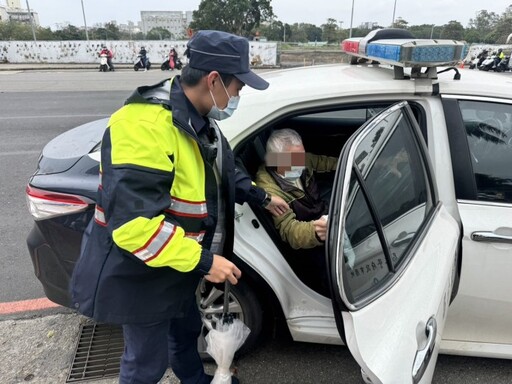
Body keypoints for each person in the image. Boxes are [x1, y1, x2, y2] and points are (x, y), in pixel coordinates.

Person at [71, 30, 288, 384]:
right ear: (214, 80)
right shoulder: (143, 126)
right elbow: (134, 227)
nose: (238, 95)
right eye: (238, 87)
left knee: (185, 335)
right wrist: (205, 261)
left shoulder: (199, 118)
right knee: (145, 365)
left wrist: (262, 196)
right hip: (138, 272)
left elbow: (221, 168)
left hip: (176, 264)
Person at [255, 129, 338, 294]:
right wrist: (315, 231)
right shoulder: (269, 190)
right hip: (308, 240)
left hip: (325, 213)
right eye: (294, 160)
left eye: (301, 156)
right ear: (277, 161)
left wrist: (355, 164)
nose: (301, 163)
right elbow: (289, 230)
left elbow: (324, 162)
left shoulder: (299, 159)